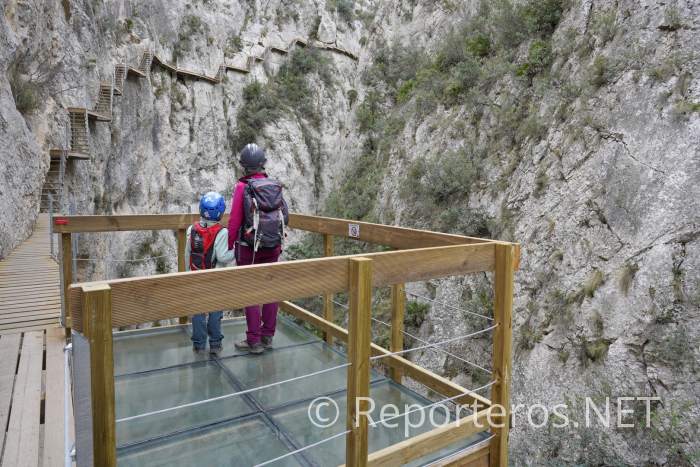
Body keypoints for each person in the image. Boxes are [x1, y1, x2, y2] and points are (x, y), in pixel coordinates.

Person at [229, 143, 288, 355]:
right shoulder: (274, 185)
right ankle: (268, 335)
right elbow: (286, 216)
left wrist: (230, 244)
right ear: (263, 164)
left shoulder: (242, 187)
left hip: (249, 249)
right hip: (273, 246)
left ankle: (254, 340)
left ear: (244, 166)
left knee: (250, 291)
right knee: (271, 290)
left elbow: (235, 221)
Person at [186, 191, 235, 356]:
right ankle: (215, 344)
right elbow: (223, 257)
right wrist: (236, 250)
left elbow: (188, 254)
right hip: (215, 281)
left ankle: (199, 345)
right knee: (215, 311)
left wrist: (188, 273)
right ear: (221, 212)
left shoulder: (191, 229)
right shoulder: (222, 232)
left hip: (196, 277)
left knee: (198, 312)